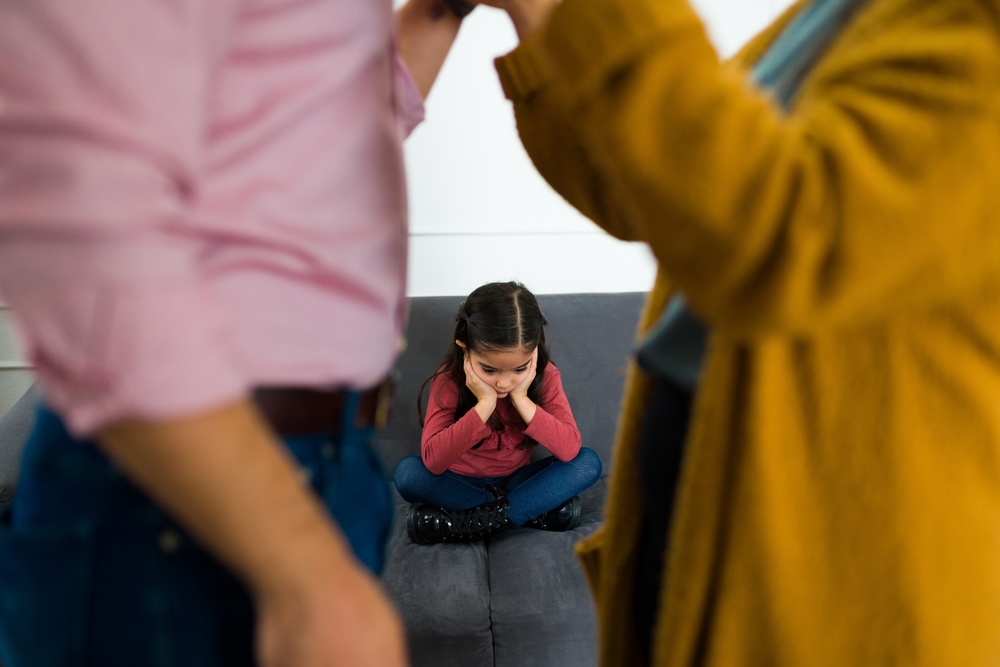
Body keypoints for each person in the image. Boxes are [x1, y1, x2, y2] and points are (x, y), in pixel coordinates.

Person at [473, 0, 1000, 665]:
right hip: (710, 534)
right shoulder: (849, 15)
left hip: (843, 591)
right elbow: (656, 181)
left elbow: (781, 236)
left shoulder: (978, 33)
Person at [0, 0, 470, 665]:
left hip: (319, 462)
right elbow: (80, 220)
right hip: (181, 488)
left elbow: (289, 147)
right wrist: (310, 581)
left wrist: (440, 14)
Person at [394, 281, 602, 544]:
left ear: (534, 351)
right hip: (459, 484)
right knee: (408, 473)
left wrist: (522, 399)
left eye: (518, 369)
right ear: (465, 350)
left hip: (517, 481)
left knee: (587, 462)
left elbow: (570, 450)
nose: (504, 383)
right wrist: (484, 405)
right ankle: (528, 511)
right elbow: (433, 461)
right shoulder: (448, 381)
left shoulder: (546, 376)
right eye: (490, 370)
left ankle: (467, 523)